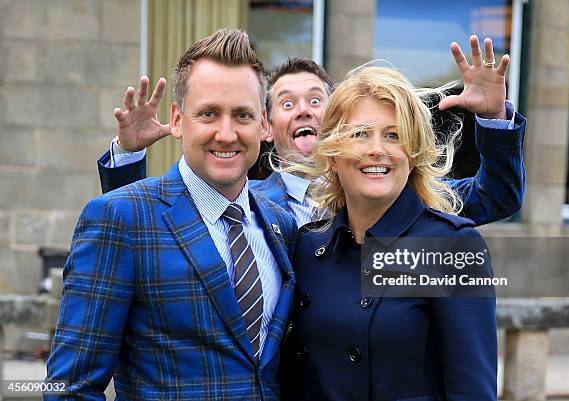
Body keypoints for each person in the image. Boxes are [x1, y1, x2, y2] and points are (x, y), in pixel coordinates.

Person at [44, 29, 297, 400]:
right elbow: (69, 388)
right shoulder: (119, 220)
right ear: (177, 120)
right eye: (208, 113)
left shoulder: (281, 225)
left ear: (263, 125)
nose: (226, 134)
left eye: (241, 115)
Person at [97, 36, 526, 227]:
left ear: (336, 118)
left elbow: (496, 197)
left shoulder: (386, 187)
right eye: (287, 103)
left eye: (316, 100)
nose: (303, 110)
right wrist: (129, 154)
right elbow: (153, 227)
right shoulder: (245, 205)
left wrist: (492, 118)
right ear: (266, 127)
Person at [280, 64, 497, 400]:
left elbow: (473, 393)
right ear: (334, 156)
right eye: (360, 134)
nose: (376, 149)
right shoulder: (307, 248)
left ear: (412, 156)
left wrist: (495, 118)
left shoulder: (452, 247)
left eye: (393, 135)